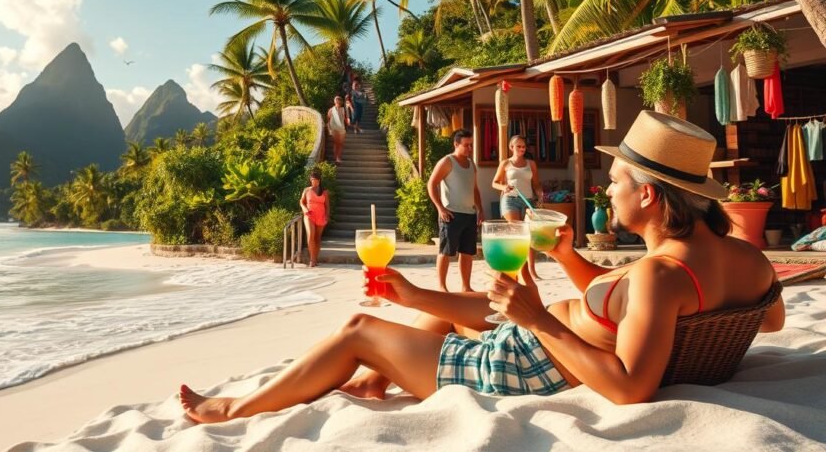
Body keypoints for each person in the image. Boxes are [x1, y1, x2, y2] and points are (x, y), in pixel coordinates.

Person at [179, 111, 784, 423]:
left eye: (618, 180)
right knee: (441, 314)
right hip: (549, 342)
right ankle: (377, 370)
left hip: (530, 364)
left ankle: (229, 409)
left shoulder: (658, 275)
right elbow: (771, 319)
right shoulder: (743, 259)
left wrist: (539, 320)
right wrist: (567, 259)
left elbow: (630, 389)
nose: (610, 192)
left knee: (359, 329)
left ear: (650, 196)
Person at [428, 128, 485, 292]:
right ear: (456, 144)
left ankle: (466, 286)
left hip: (469, 214)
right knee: (446, 251)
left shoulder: (471, 164)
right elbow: (431, 184)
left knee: (467, 253)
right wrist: (440, 208)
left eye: (471, 145)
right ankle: (441, 286)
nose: (469, 149)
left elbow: (475, 189)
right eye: (466, 145)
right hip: (451, 213)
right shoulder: (447, 161)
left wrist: (480, 210)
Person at [492, 134, 545, 276]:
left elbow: (536, 184)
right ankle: (517, 268)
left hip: (527, 200)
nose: (522, 149)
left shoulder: (531, 164)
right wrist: (504, 188)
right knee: (517, 233)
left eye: (524, 146)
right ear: (511, 147)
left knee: (528, 235)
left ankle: (531, 271)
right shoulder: (505, 163)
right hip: (510, 199)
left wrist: (540, 193)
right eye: (519, 146)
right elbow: (494, 182)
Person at [299, 168, 329, 267]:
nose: (313, 182)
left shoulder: (324, 192)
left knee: (317, 238)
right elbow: (301, 202)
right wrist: (305, 209)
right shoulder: (306, 190)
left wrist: (327, 217)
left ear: (319, 180)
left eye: (315, 180)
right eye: (311, 180)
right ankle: (312, 259)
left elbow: (327, 206)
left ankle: (315, 258)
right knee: (311, 234)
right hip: (309, 215)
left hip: (321, 216)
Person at [327, 96, 348, 164]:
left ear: (341, 102)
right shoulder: (331, 110)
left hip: (341, 128)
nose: (338, 102)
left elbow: (345, 119)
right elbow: (328, 120)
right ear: (335, 102)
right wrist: (329, 129)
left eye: (339, 100)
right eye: (337, 101)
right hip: (334, 128)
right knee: (336, 143)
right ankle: (337, 158)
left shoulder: (343, 109)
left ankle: (338, 157)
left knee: (341, 144)